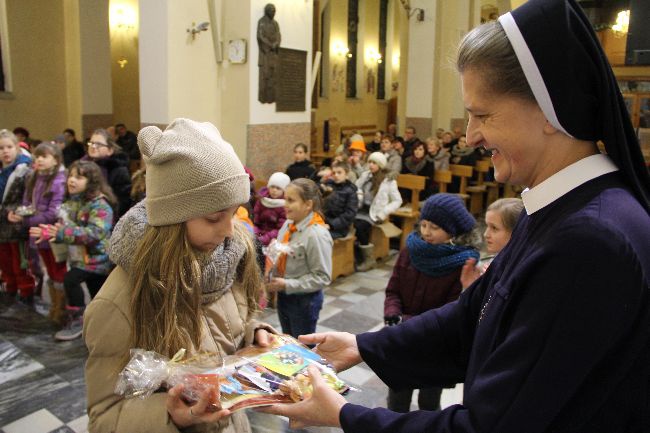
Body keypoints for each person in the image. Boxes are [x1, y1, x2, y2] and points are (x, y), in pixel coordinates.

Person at [259, 1, 650, 431]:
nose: (471, 134)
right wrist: (364, 346)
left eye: (482, 114)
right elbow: (474, 317)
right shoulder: (558, 207)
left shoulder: (590, 240)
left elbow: (493, 427)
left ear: (549, 110)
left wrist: (345, 415)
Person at [84, 118, 275, 433]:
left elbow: (222, 328)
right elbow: (104, 416)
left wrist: (252, 336)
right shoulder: (118, 304)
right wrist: (171, 417)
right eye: (214, 217)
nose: (229, 231)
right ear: (173, 220)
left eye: (234, 213)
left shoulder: (227, 258)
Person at [384, 194, 480, 413]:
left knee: (429, 403)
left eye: (435, 227)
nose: (426, 232)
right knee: (397, 401)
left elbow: (452, 309)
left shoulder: (464, 263)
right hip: (403, 340)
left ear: (453, 230)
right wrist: (393, 313)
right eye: (424, 224)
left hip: (436, 347)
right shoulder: (410, 249)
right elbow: (394, 289)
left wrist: (407, 322)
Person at [32, 160, 115, 340]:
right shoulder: (73, 202)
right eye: (71, 176)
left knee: (73, 280)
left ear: (91, 181)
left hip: (99, 259)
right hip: (81, 258)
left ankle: (82, 321)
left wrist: (61, 232)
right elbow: (65, 225)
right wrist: (49, 231)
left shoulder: (100, 205)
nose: (72, 180)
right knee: (96, 293)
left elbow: (95, 232)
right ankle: (96, 323)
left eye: (79, 177)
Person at [266, 178, 332, 338]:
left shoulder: (316, 235)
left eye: (291, 200)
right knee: (288, 340)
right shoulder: (288, 225)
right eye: (285, 199)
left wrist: (287, 284)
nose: (285, 204)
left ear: (308, 204)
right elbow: (281, 250)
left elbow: (322, 277)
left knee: (303, 345)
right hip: (285, 295)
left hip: (304, 301)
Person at [8, 143, 66, 316]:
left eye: (44, 156)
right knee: (48, 268)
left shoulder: (59, 180)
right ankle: (55, 307)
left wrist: (27, 221)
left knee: (58, 270)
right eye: (37, 156)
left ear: (55, 160)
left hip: (52, 232)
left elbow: (53, 212)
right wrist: (19, 213)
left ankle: (62, 309)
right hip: (36, 231)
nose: (39, 160)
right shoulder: (34, 176)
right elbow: (27, 202)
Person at [0, 129, 35, 304]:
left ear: (17, 148)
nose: (5, 151)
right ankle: (10, 289)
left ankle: (26, 293)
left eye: (9, 147)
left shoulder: (24, 172)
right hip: (2, 226)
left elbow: (29, 199)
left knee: (20, 262)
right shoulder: (2, 171)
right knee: (5, 262)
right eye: (1, 148)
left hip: (16, 225)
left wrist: (10, 212)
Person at [353, 152, 402, 271]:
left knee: (360, 226)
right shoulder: (366, 175)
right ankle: (355, 256)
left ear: (380, 165)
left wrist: (383, 213)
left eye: (374, 163)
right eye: (369, 162)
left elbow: (397, 201)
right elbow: (355, 187)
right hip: (361, 208)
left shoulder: (388, 181)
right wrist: (358, 194)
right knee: (349, 222)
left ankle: (368, 259)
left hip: (374, 213)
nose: (371, 165)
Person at [461, 198, 524, 289]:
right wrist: (472, 288)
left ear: (516, 232)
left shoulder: (515, 272)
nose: (486, 234)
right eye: (487, 226)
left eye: (494, 228)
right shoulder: (492, 263)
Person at [82, 128, 132, 219]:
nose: (93, 147)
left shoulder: (118, 170)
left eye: (99, 144)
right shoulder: (81, 165)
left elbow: (122, 202)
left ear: (110, 150)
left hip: (107, 216)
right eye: (91, 143)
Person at [321, 161, 359, 239]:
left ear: (346, 174)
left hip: (338, 228)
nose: (336, 175)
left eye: (339, 172)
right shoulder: (328, 185)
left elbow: (349, 214)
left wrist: (331, 225)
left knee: (318, 236)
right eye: (334, 173)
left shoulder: (351, 191)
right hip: (323, 222)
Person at [253, 171, 290, 246]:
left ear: (284, 191)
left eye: (278, 188)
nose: (274, 190)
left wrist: (264, 238)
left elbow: (280, 229)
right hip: (259, 235)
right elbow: (256, 221)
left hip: (274, 240)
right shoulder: (262, 200)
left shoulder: (285, 206)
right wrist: (256, 235)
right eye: (272, 187)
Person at [257, 3, 281, 103]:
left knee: (273, 77)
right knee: (265, 77)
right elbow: (260, 36)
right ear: (267, 11)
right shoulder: (262, 22)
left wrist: (276, 44)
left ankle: (272, 98)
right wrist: (270, 45)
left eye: (274, 10)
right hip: (265, 54)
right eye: (272, 10)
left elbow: (278, 35)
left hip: (273, 55)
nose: (273, 12)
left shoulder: (275, 23)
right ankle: (263, 98)